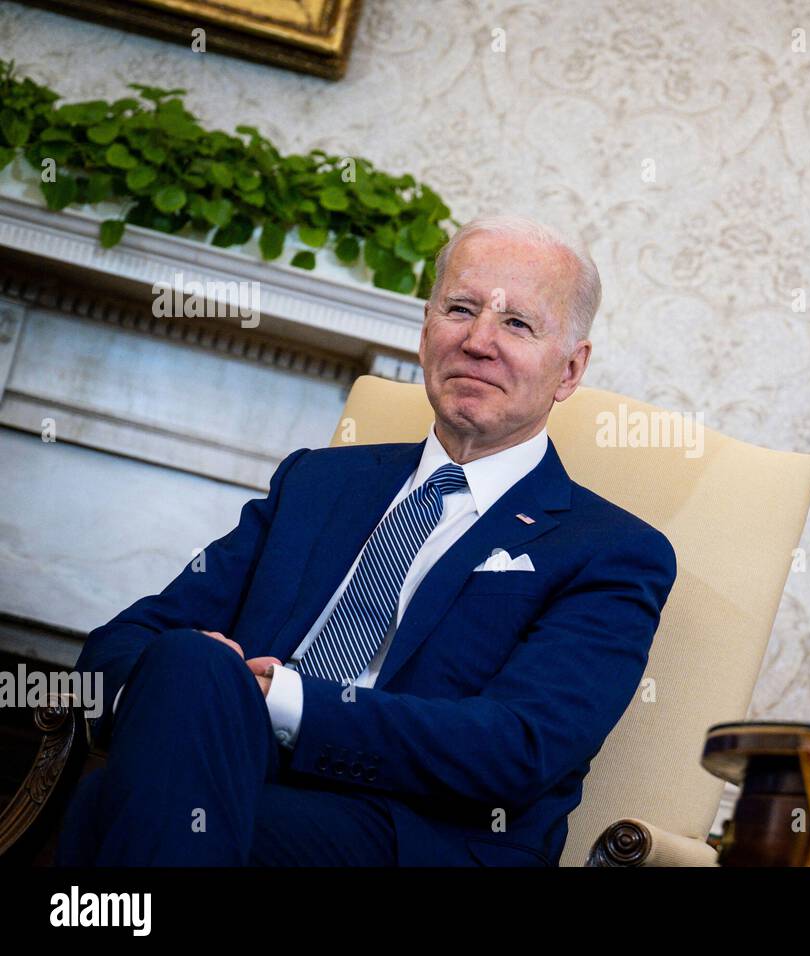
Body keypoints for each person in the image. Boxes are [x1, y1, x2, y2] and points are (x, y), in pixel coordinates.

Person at [55, 215, 678, 866]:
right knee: (187, 666)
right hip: (232, 773)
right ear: (426, 329)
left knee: (111, 805)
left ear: (570, 369)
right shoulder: (318, 482)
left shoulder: (610, 549)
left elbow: (519, 748)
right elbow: (119, 646)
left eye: (517, 324)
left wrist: (281, 700)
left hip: (415, 835)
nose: (478, 341)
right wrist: (183, 706)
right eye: (459, 309)